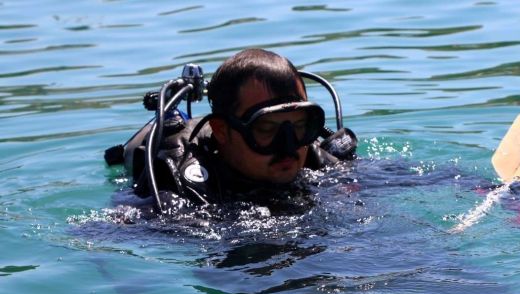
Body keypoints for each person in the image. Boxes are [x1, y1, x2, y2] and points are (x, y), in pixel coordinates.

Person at [107, 48, 357, 211]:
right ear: (222, 131)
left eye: (300, 125)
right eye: (266, 129)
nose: (288, 145)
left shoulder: (311, 153)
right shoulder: (177, 184)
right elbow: (107, 237)